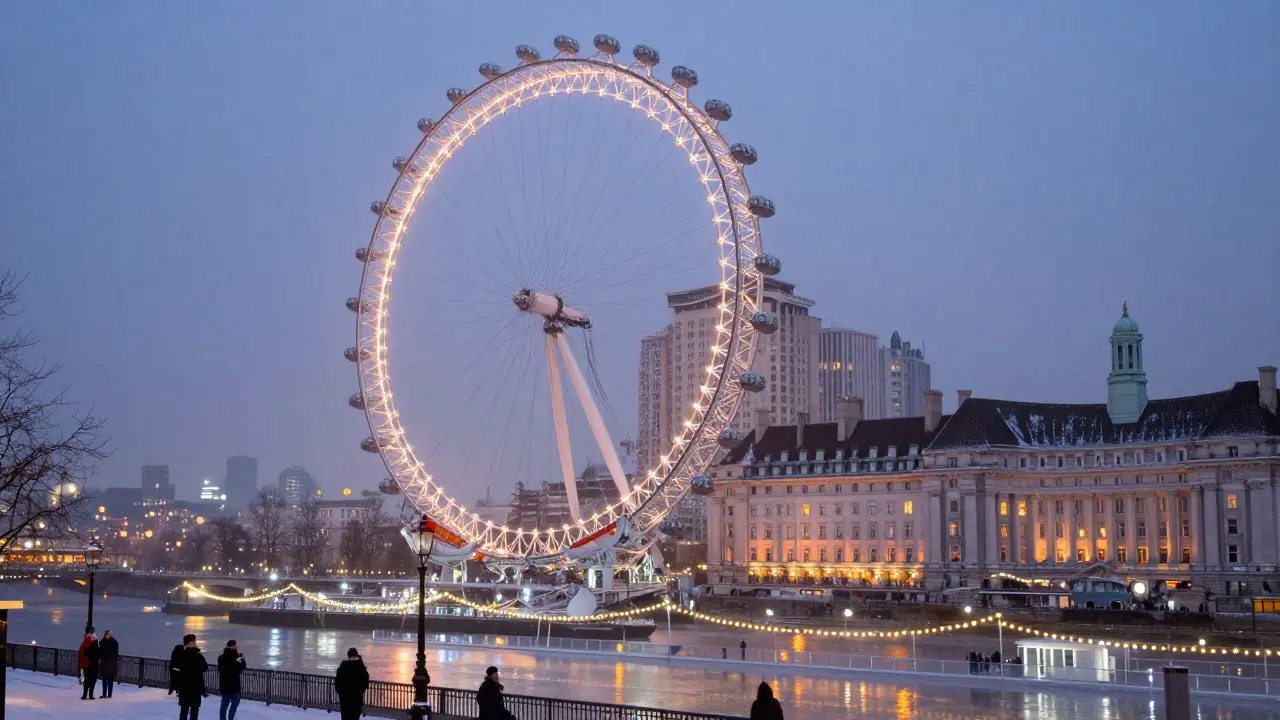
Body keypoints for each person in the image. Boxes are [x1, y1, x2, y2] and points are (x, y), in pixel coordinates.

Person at [176, 633, 209, 720]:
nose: (195, 642)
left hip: (184, 688)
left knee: (184, 711)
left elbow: (178, 670)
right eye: (194, 641)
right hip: (195, 687)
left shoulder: (181, 655)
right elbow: (205, 668)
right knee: (194, 712)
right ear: (190, 643)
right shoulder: (197, 655)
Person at [334, 647, 370, 720]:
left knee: (345, 716)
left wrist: (341, 693)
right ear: (357, 655)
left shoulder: (343, 666)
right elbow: (365, 682)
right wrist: (360, 692)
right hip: (356, 699)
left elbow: (337, 682)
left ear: (348, 656)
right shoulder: (361, 666)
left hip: (345, 700)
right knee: (355, 716)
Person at [217, 640, 246, 720]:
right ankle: (230, 718)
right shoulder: (236, 658)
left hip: (224, 685)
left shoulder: (221, 658)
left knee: (224, 705)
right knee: (235, 704)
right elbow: (242, 667)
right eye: (236, 645)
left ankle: (222, 718)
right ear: (234, 646)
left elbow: (221, 669)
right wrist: (241, 659)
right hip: (234, 685)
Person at [78, 632, 100, 700]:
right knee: (93, 680)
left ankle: (84, 695)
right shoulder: (95, 646)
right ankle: (90, 695)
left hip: (87, 666)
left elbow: (82, 655)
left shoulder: (84, 645)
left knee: (87, 680)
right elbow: (99, 655)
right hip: (94, 666)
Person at [99, 630, 120, 698]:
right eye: (106, 634)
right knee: (105, 679)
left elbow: (115, 654)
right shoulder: (103, 642)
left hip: (110, 664)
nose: (107, 636)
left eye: (108, 634)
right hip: (106, 664)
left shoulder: (113, 643)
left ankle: (109, 694)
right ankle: (104, 694)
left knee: (110, 679)